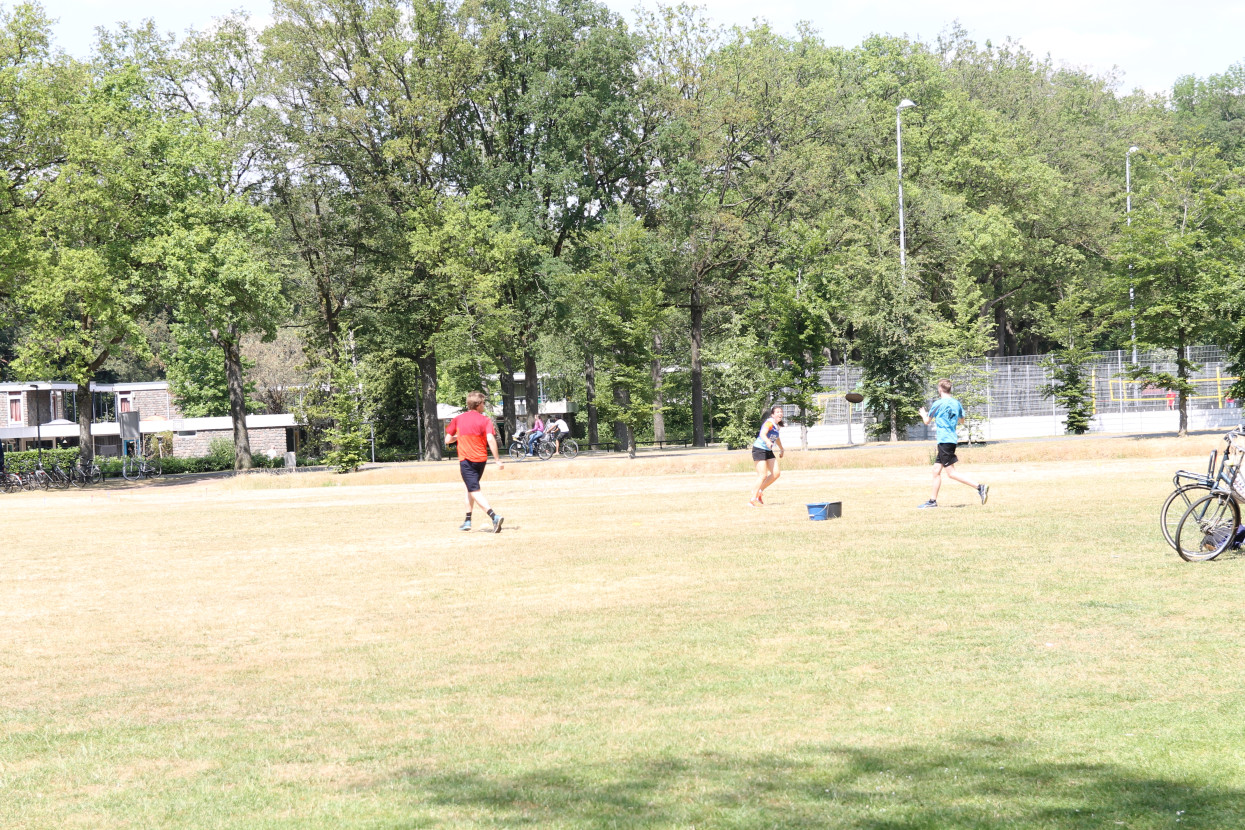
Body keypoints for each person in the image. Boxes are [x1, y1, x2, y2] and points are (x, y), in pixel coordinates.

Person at [917, 379, 988, 509]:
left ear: (940, 389)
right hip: (950, 440)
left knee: (951, 473)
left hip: (944, 440)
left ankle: (979, 487)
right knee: (936, 471)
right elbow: (962, 420)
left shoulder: (937, 404)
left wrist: (923, 414)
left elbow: (927, 421)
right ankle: (933, 501)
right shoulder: (956, 403)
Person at [444, 391, 504, 533]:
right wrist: (497, 459)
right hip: (481, 460)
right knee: (469, 488)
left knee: (474, 490)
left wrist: (459, 437)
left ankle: (494, 516)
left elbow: (447, 440)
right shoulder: (485, 420)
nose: (484, 406)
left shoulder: (458, 419)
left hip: (466, 460)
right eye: (483, 403)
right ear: (478, 405)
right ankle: (467, 520)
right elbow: (490, 439)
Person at [750, 405, 785, 507]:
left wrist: (781, 449)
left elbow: (777, 438)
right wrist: (767, 441)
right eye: (777, 412)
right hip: (759, 449)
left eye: (781, 412)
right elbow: (762, 434)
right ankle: (753, 499)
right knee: (763, 475)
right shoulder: (769, 423)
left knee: (776, 473)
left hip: (768, 450)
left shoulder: (776, 426)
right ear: (772, 415)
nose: (780, 413)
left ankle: (760, 491)